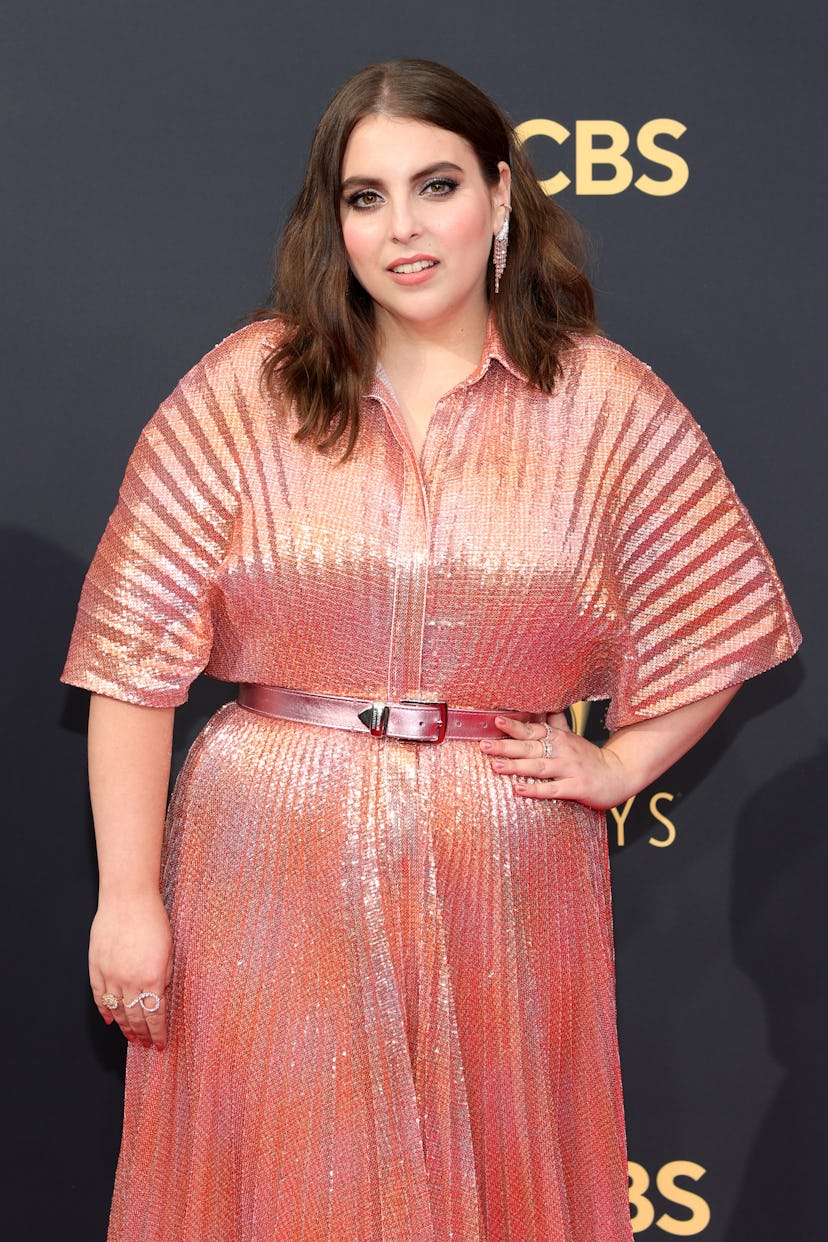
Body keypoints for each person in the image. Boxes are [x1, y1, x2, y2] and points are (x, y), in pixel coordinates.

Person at [62, 58, 800, 1242]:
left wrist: (619, 765)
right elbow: (130, 661)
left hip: (506, 876)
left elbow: (721, 607)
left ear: (502, 197)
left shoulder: (604, 405)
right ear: (332, 220)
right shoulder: (246, 391)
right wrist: (130, 899)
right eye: (366, 197)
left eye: (435, 185)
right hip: (265, 868)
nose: (402, 229)